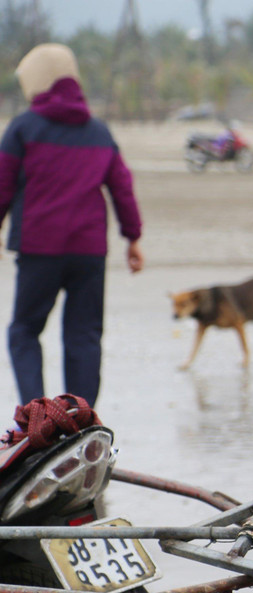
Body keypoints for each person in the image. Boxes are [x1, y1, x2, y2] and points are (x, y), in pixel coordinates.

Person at [0, 44, 143, 407]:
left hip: (40, 248)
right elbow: (122, 186)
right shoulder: (98, 132)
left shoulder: (23, 128)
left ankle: (37, 416)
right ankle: (78, 418)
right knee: (83, 336)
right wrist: (133, 237)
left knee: (24, 331)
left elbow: (2, 183)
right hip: (88, 250)